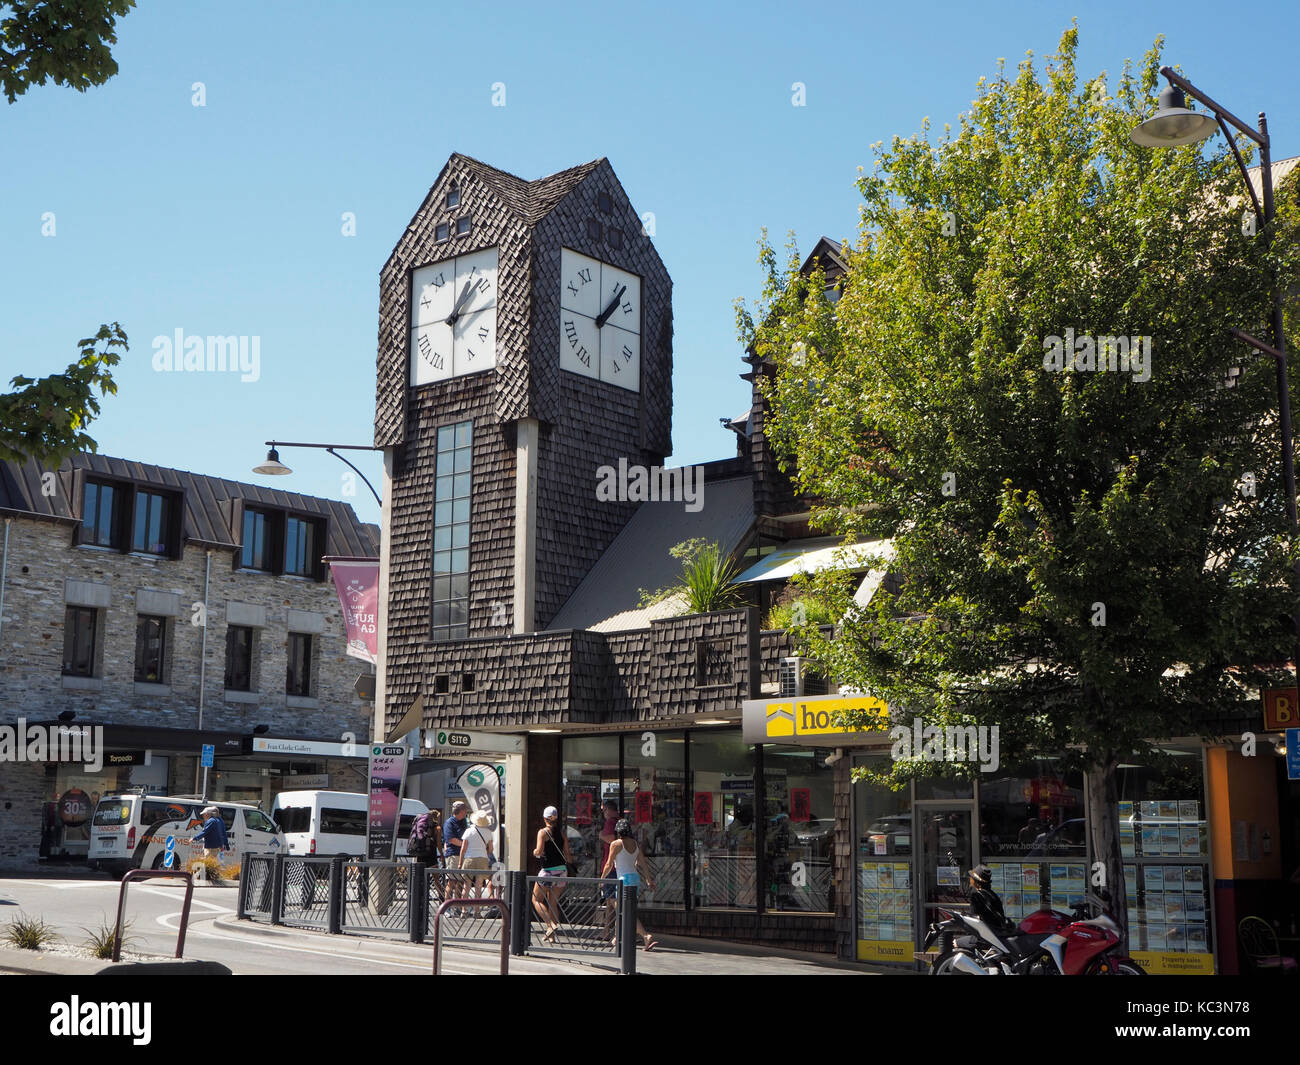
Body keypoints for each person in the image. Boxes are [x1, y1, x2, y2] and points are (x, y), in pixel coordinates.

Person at [601, 819, 657, 950]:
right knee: (623, 909)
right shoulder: (635, 844)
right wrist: (649, 880)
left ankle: (645, 935)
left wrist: (602, 879)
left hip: (623, 880)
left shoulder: (616, 844)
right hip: (634, 878)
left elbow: (609, 865)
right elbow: (643, 863)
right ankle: (616, 938)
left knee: (625, 911)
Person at [532, 805, 573, 942]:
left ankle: (550, 925)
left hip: (548, 871)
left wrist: (535, 852)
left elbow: (538, 851)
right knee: (553, 902)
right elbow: (567, 853)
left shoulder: (543, 832)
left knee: (536, 899)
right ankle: (552, 936)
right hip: (562, 871)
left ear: (545, 818)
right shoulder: (561, 833)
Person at [459, 810, 495, 899]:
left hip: (469, 858)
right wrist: (484, 852)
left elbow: (463, 849)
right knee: (478, 886)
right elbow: (491, 849)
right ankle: (477, 911)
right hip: (482, 859)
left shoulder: (468, 831)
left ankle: (464, 910)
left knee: (466, 886)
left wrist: (460, 863)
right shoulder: (488, 832)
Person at [967, 865, 1013, 933]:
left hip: (985, 935)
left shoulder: (976, 896)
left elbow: (973, 919)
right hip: (997, 933)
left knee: (955, 942)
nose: (970, 879)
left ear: (975, 881)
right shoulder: (993, 895)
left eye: (971, 877)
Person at [443, 800, 470, 905]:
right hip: (453, 855)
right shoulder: (449, 822)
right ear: (461, 811)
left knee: (461, 882)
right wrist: (465, 845)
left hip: (463, 855)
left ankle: (458, 906)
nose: (466, 812)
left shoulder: (464, 822)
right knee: (452, 881)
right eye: (465, 809)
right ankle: (447, 907)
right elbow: (451, 839)